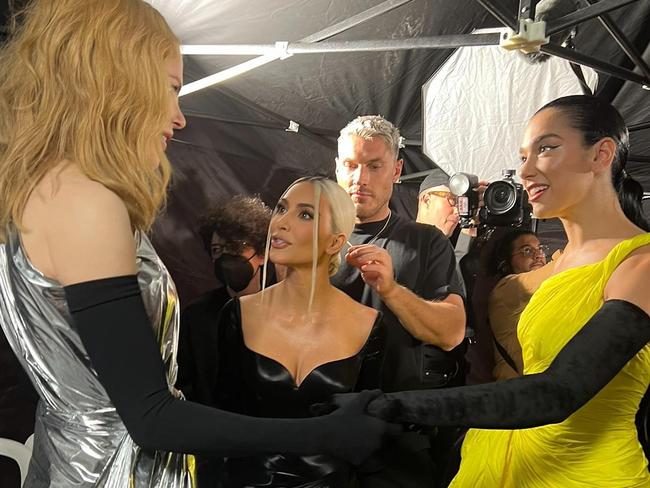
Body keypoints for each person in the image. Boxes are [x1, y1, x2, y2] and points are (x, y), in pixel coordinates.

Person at [0, 1, 390, 487]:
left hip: (69, 461)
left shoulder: (34, 190)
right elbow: (151, 418)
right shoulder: (86, 203)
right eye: (170, 89)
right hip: (114, 473)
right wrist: (319, 434)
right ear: (116, 77)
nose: (179, 116)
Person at [353, 95, 650, 486]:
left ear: (601, 154)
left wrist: (390, 405)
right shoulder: (554, 267)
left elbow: (557, 392)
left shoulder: (640, 264)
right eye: (523, 156)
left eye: (545, 148)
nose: (525, 171)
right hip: (492, 466)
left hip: (582, 475)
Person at [213, 177, 386, 487]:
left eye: (305, 214)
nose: (281, 223)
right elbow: (220, 425)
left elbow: (371, 440)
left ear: (335, 242)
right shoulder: (238, 315)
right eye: (281, 209)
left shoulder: (369, 325)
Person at [331, 115, 466, 487]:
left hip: (397, 435)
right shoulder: (309, 239)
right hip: (320, 427)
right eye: (351, 165)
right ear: (336, 166)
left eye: (375, 166)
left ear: (396, 170)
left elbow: (452, 332)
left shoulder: (426, 242)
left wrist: (391, 289)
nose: (360, 179)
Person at [177, 195, 271, 405]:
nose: (226, 258)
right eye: (217, 251)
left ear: (263, 253)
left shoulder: (283, 311)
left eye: (235, 248)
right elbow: (185, 384)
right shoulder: (197, 316)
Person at [485, 229, 552, 380]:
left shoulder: (544, 292)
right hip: (515, 390)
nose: (538, 255)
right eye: (527, 250)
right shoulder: (507, 287)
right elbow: (558, 271)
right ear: (506, 261)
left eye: (540, 248)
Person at [416, 169, 460, 239]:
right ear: (427, 200)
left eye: (461, 204)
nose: (458, 212)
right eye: (453, 200)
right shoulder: (398, 243)